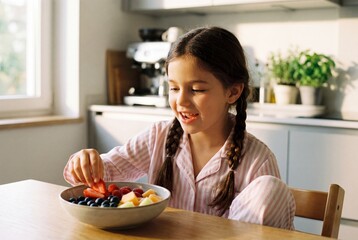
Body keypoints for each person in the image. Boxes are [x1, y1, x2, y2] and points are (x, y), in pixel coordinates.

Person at [63, 26, 295, 230]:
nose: (181, 102)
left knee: (270, 188)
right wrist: (83, 162)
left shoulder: (257, 161)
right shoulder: (158, 137)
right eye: (174, 89)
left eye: (197, 89)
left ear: (233, 92)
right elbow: (105, 173)